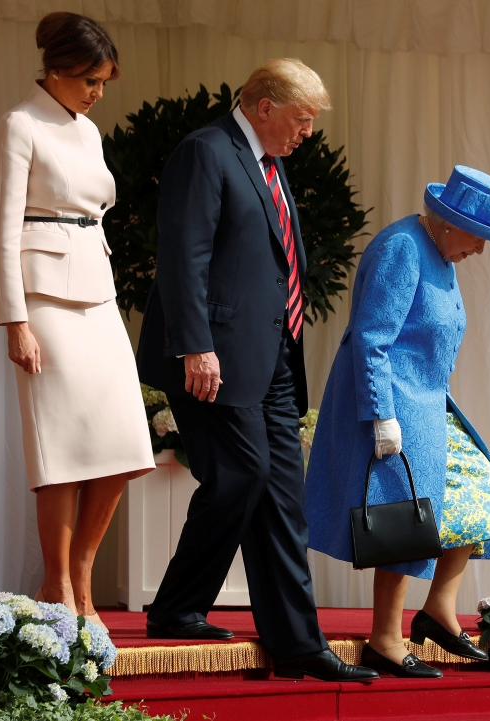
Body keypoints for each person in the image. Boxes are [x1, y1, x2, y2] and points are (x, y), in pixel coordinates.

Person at [135, 59, 376, 683]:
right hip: (213, 355)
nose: (307, 133)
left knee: (279, 494)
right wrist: (195, 345)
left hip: (271, 357)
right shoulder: (205, 152)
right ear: (264, 106)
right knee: (243, 474)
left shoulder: (270, 165)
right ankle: (182, 606)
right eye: (301, 119)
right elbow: (183, 255)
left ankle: (295, 642)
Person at [305, 165, 490, 678]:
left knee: (477, 492)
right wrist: (380, 415)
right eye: (481, 237)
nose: (483, 250)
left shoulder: (441, 253)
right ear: (449, 222)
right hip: (393, 404)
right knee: (404, 516)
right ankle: (385, 636)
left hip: (428, 405)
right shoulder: (402, 247)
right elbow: (372, 338)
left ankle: (438, 610)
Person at [0, 12, 154, 625]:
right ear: (56, 70)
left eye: (103, 82)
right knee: (58, 447)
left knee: (126, 442)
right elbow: (3, 230)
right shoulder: (21, 124)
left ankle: (82, 564)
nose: (97, 93)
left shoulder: (88, 131)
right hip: (45, 300)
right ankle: (58, 585)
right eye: (89, 80)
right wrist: (15, 320)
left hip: (98, 291)